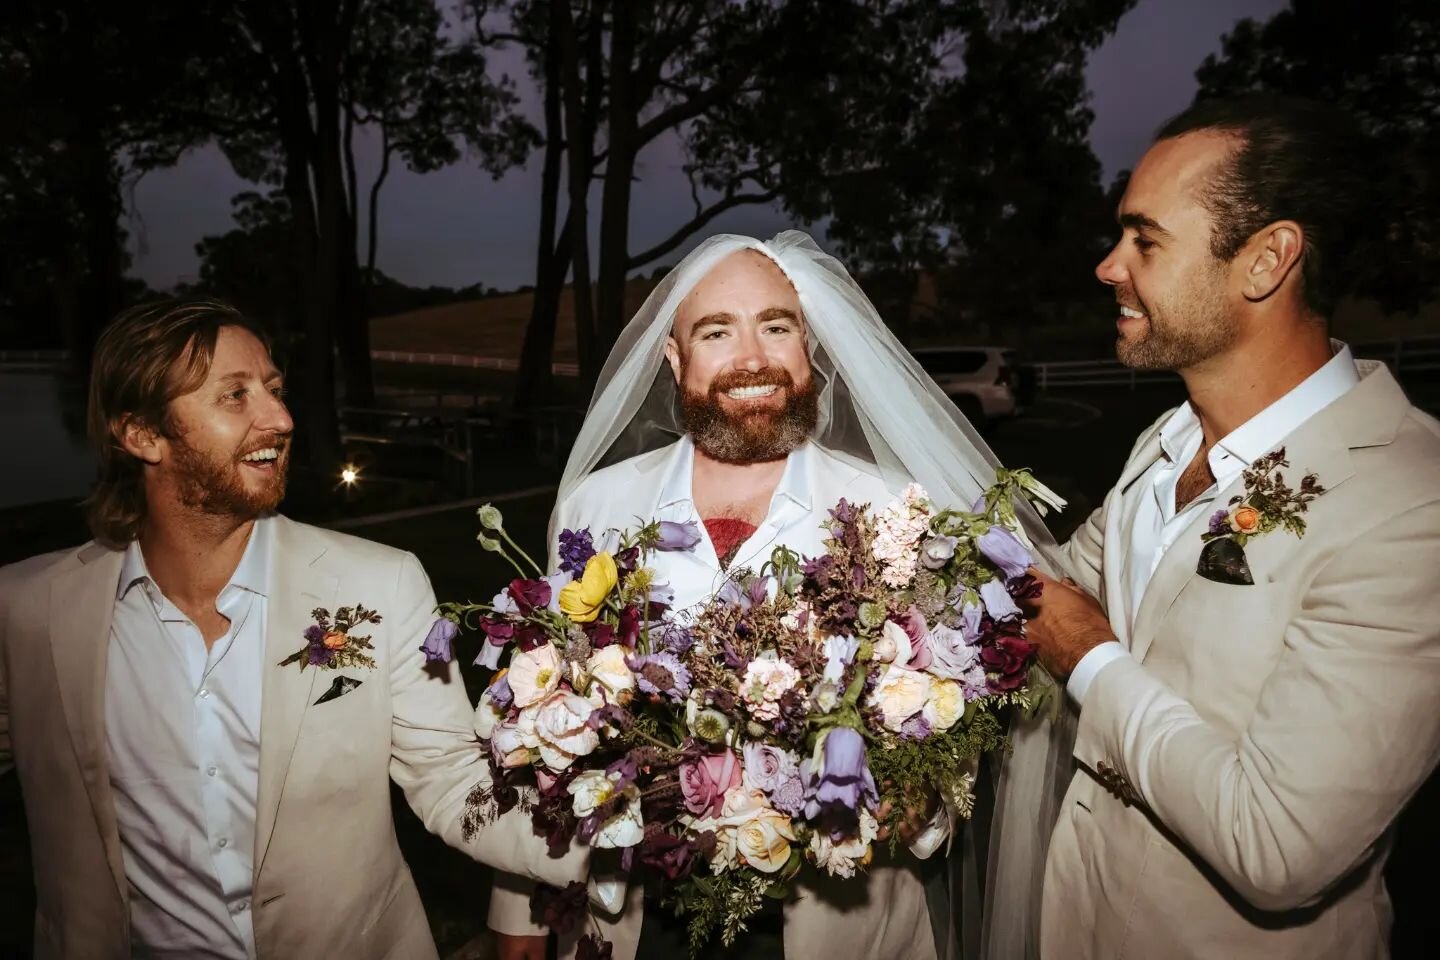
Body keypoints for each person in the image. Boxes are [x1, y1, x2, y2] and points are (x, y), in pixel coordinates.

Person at [488, 232, 1058, 960]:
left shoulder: (894, 511)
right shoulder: (594, 508)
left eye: (776, 326)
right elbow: (538, 721)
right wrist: (519, 915)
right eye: (717, 330)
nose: (753, 356)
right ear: (675, 359)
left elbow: (950, 722)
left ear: (807, 348)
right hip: (634, 924)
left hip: (840, 923)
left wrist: (917, 802)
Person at [0, 299, 583, 959]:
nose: (279, 419)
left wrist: (615, 822)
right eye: (235, 397)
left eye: (274, 390)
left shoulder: (380, 587)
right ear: (141, 434)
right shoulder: (28, 612)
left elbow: (453, 778)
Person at [1020, 96, 1440, 958]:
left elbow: (1281, 844)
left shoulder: (1408, 501)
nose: (1108, 268)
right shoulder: (1166, 438)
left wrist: (1090, 661)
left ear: (1266, 261)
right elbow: (1057, 583)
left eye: (1145, 240)